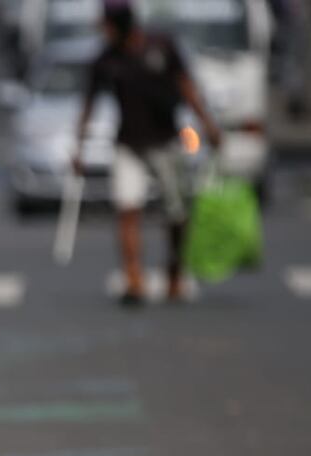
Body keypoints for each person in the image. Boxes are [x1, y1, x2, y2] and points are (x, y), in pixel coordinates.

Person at [74, 1, 221, 306]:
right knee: (127, 209)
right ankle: (134, 278)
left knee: (177, 213)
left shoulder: (161, 47)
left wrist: (207, 125)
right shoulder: (105, 60)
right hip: (128, 145)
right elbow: (88, 106)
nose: (103, 32)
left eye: (107, 26)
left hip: (166, 142)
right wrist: (79, 148)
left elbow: (186, 86)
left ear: (122, 25)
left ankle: (174, 273)